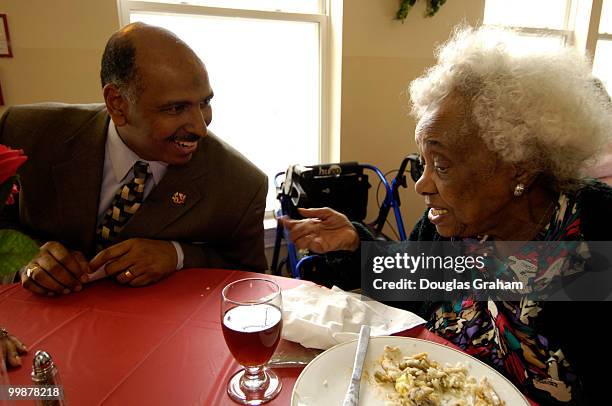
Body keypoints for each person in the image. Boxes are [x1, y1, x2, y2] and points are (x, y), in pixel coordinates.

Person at [281, 26, 612, 405]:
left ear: (518, 167)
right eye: (423, 162)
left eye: (441, 165)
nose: (422, 185)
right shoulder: (454, 226)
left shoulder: (595, 230)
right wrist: (356, 244)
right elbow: (409, 280)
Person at [0, 23, 268, 295]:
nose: (200, 128)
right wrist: (25, 259)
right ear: (117, 103)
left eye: (204, 103)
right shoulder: (26, 133)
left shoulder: (241, 185)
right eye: (176, 108)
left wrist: (178, 256)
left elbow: (251, 280)